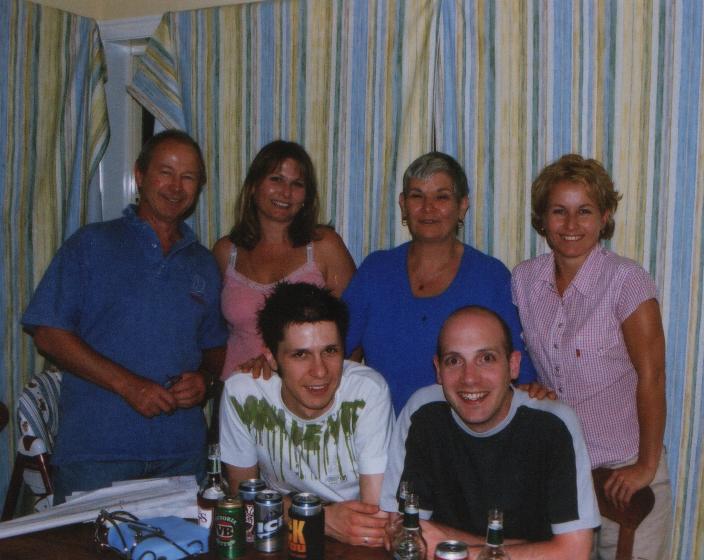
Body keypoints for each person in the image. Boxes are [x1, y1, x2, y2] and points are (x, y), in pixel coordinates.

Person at [22, 130, 227, 503]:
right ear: (140, 174)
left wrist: (205, 380)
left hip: (182, 457)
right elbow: (48, 333)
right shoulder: (92, 244)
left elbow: (215, 347)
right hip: (98, 456)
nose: (176, 186)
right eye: (165, 172)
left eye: (188, 177)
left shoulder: (203, 263)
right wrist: (128, 385)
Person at [511, 154, 672, 559]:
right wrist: (530, 386)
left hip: (626, 473)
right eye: (558, 211)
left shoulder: (627, 281)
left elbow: (652, 378)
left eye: (584, 211)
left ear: (605, 216)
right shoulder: (524, 280)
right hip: (562, 472)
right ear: (542, 219)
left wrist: (645, 468)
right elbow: (517, 357)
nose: (570, 225)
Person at [380, 306, 600, 559]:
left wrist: (456, 548)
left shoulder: (553, 425)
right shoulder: (422, 413)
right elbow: (402, 534)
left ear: (513, 365)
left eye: (486, 358)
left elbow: (574, 553)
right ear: (438, 369)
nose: (470, 378)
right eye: (454, 360)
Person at [342, 152, 535, 411]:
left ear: (462, 205)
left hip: (467, 438)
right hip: (383, 440)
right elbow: (332, 346)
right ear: (403, 204)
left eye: (441, 197)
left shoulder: (490, 277)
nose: (428, 207)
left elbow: (520, 371)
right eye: (417, 196)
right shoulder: (375, 271)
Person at [220, 282, 394, 547]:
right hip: (277, 532)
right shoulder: (243, 392)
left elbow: (372, 516)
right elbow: (242, 496)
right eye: (301, 354)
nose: (320, 371)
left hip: (350, 537)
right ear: (271, 358)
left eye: (330, 351)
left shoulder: (367, 391)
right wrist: (319, 517)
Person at [213, 140, 356, 380]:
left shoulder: (325, 247)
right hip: (238, 397)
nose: (285, 192)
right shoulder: (225, 252)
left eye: (297, 184)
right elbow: (210, 333)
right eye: (276, 179)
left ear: (306, 197)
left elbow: (353, 329)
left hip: (307, 396)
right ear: (253, 186)